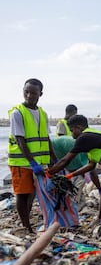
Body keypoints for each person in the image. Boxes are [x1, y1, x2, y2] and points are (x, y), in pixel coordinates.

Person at [8, 78, 57, 232]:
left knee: (33, 194)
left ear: (40, 94)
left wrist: (53, 159)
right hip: (21, 162)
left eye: (33, 93)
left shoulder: (42, 113)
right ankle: (26, 226)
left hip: (39, 162)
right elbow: (20, 140)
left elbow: (47, 138)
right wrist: (32, 163)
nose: (29, 95)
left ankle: (26, 223)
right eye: (26, 92)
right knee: (22, 194)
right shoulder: (18, 113)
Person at [51, 134, 101, 204]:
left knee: (74, 179)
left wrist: (99, 188)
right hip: (57, 148)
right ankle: (69, 202)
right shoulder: (87, 153)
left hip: (58, 147)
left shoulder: (87, 151)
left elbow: (90, 170)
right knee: (74, 181)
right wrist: (99, 189)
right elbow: (91, 171)